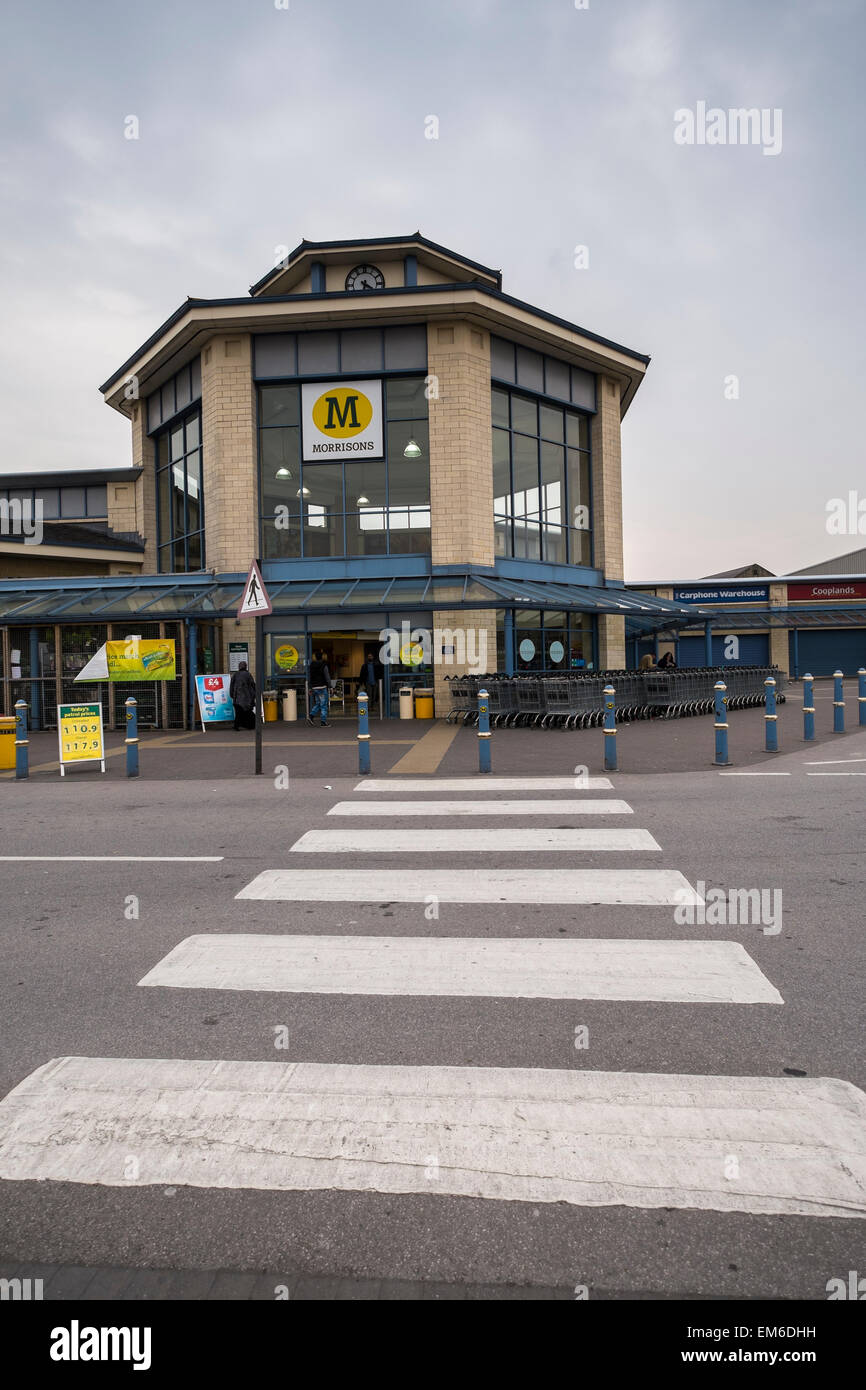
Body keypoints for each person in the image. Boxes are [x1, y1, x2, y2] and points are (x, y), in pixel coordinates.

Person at [307, 650, 332, 727]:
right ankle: (323, 722)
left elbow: (310, 677)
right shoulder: (324, 665)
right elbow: (327, 677)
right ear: (321, 657)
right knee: (323, 704)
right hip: (322, 687)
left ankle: (311, 716)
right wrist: (330, 686)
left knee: (318, 703)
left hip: (315, 687)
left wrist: (310, 688)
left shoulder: (311, 665)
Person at [229, 661, 256, 730]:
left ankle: (237, 726)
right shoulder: (248, 674)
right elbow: (252, 685)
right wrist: (254, 694)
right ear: (246, 666)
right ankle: (249, 725)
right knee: (248, 712)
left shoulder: (235, 675)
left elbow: (231, 686)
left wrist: (232, 695)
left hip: (236, 698)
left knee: (238, 713)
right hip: (246, 698)